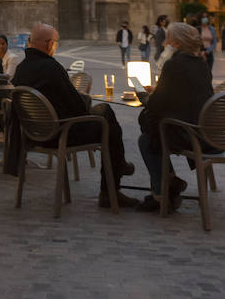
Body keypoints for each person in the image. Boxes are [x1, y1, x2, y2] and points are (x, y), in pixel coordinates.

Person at [10, 23, 136, 208]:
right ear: (48, 44)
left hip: (32, 135)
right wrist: (84, 99)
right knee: (106, 116)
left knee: (103, 115)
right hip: (61, 134)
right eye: (55, 43)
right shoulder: (51, 67)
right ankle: (111, 187)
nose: (55, 47)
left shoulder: (22, 68)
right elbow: (77, 108)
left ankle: (118, 168)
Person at [136, 22, 213, 213]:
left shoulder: (173, 65)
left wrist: (146, 96)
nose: (164, 44)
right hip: (204, 129)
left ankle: (162, 194)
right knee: (154, 133)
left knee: (147, 139)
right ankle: (169, 184)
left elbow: (156, 106)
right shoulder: (201, 64)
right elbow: (186, 94)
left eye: (167, 40)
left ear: (176, 43)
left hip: (188, 133)